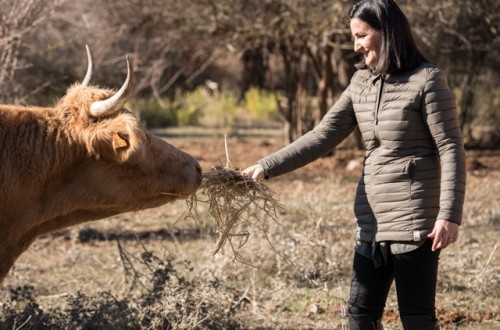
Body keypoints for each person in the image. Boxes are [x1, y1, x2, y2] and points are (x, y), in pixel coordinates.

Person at [242, 0, 466, 329]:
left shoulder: (426, 80)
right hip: (371, 220)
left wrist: (449, 215)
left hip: (415, 222)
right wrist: (266, 165)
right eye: (354, 37)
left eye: (362, 35)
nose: (356, 45)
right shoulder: (361, 83)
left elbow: (451, 148)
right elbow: (323, 136)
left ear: (387, 33)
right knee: (359, 316)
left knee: (417, 319)